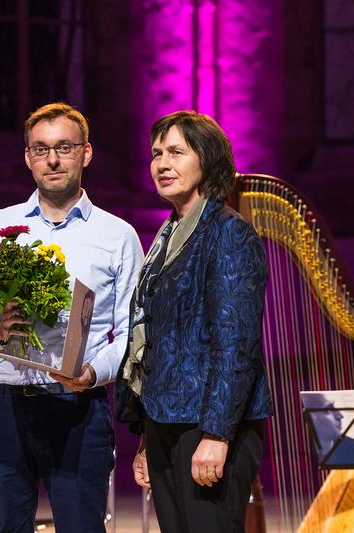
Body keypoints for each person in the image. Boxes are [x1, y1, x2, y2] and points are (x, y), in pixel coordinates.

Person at [0, 102, 143, 533]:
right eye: (40, 149)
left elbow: (132, 331)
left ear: (86, 153)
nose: (53, 160)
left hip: (77, 406)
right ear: (27, 157)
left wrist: (94, 372)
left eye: (64, 147)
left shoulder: (116, 235)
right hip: (1, 402)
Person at [115, 110, 273, 533]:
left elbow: (235, 345)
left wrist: (217, 435)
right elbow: (156, 340)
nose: (162, 163)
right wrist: (147, 436)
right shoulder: (168, 235)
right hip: (167, 421)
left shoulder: (227, 232)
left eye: (176, 152)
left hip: (208, 426)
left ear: (207, 158)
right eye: (156, 154)